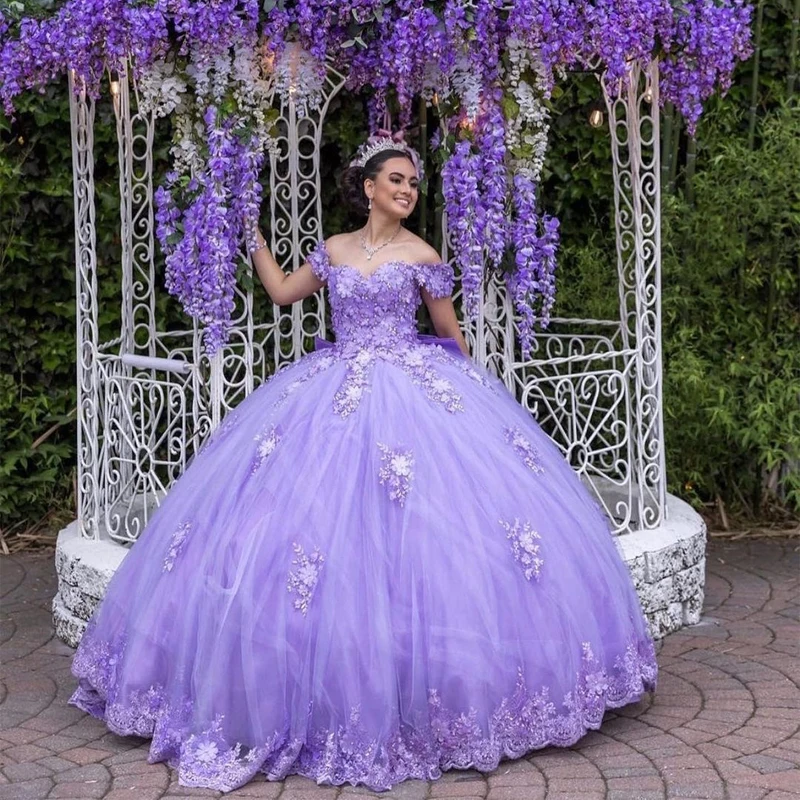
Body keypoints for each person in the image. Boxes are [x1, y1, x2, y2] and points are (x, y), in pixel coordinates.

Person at [68, 132, 657, 794]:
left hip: (409, 390)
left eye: (413, 184)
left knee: (425, 537)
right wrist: (248, 233)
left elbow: (451, 336)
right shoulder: (336, 250)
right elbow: (285, 293)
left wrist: (453, 397)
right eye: (397, 181)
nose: (408, 191)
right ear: (369, 186)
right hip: (331, 392)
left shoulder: (422, 254)